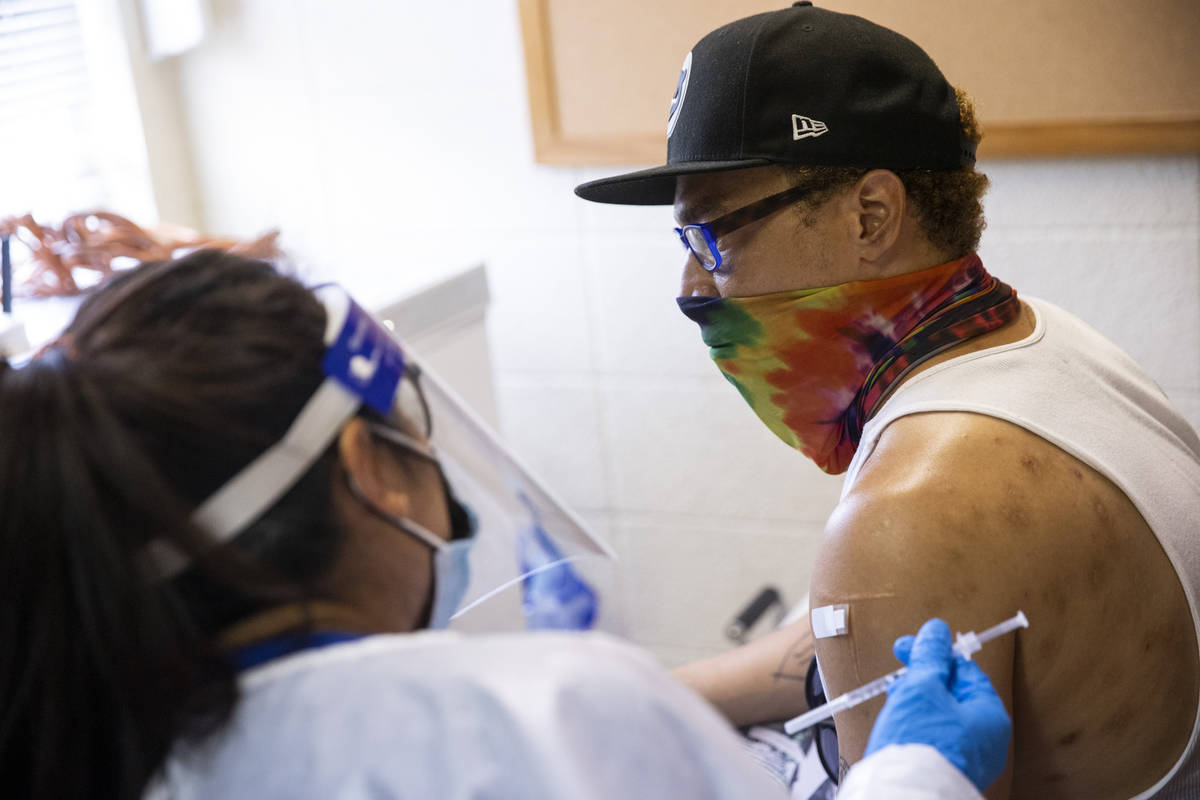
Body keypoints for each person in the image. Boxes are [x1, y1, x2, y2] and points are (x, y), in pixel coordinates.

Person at [574, 3, 1200, 798]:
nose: (692, 287)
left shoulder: (912, 511)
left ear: (871, 214)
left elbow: (903, 578)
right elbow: (860, 636)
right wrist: (633, 698)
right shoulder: (1037, 339)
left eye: (713, 237)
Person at [0, 250, 786, 799]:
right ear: (367, 468)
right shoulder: (552, 711)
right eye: (416, 434)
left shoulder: (100, 752)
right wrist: (907, 770)